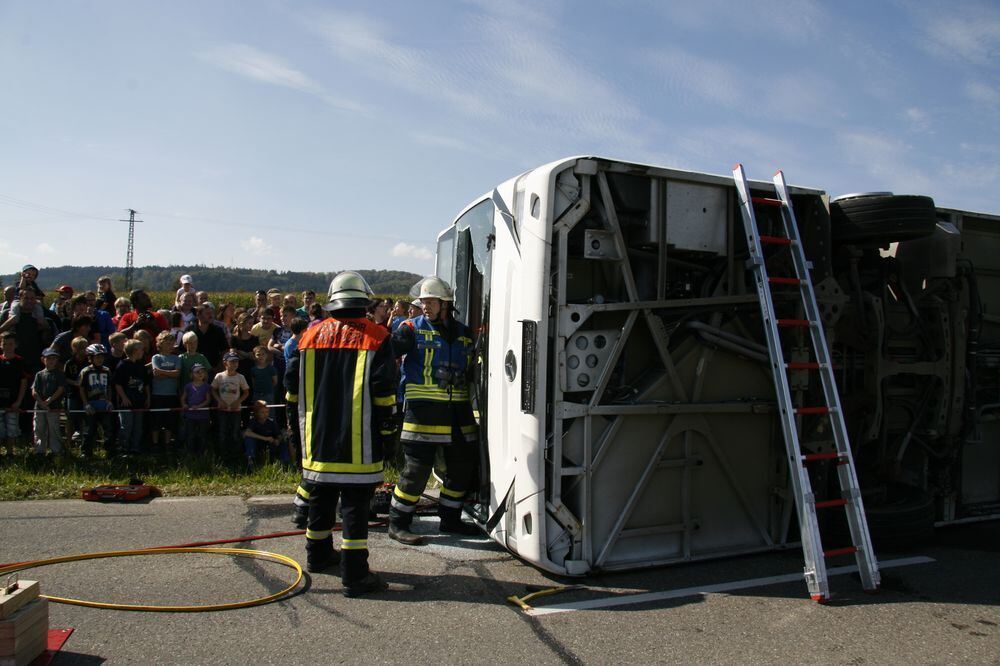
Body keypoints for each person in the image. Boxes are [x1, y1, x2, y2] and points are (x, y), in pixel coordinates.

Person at [290, 270, 396, 596]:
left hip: (316, 440)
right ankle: (355, 574)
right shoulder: (377, 336)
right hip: (358, 442)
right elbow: (383, 393)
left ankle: (318, 557)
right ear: (364, 301)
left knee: (320, 498)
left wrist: (297, 435)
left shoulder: (307, 337)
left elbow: (291, 391)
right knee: (354, 506)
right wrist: (388, 434)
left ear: (332, 301)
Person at [387, 277, 480, 545]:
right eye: (423, 302)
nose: (425, 306)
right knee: (417, 470)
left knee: (462, 467)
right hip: (423, 413)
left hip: (458, 413)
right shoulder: (409, 329)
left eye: (430, 302)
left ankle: (450, 519)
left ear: (445, 304)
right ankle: (398, 522)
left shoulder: (464, 333)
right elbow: (386, 355)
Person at [113, 339, 149, 455]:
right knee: (126, 425)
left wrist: (148, 397)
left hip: (139, 400)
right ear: (135, 351)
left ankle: (135, 447)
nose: (143, 351)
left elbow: (146, 383)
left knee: (138, 427)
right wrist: (123, 397)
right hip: (127, 402)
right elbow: (117, 384)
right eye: (141, 349)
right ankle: (124, 448)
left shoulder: (141, 365)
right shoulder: (122, 365)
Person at [79, 343, 115, 458]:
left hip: (104, 404)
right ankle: (86, 452)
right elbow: (81, 388)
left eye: (102, 357)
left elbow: (109, 387)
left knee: (108, 430)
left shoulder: (107, 371)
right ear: (90, 358)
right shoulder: (86, 371)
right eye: (97, 357)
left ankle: (110, 452)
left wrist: (109, 401)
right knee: (89, 430)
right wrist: (85, 404)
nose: (100, 359)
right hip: (91, 405)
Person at [212, 351, 249, 459]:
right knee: (222, 433)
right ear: (225, 363)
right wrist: (219, 401)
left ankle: (235, 456)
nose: (234, 364)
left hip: (236, 410)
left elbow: (246, 392)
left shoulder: (240, 377)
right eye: (232, 362)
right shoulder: (219, 376)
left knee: (235, 433)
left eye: (236, 362)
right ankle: (223, 455)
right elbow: (213, 390)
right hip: (222, 410)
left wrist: (238, 401)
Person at [150, 331, 181, 450]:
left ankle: (167, 443)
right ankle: (155, 444)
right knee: (156, 420)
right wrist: (170, 373)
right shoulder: (156, 357)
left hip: (172, 394)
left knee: (170, 420)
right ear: (160, 344)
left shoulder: (176, 358)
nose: (170, 346)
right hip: (158, 394)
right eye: (167, 343)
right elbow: (156, 374)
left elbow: (177, 373)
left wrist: (163, 372)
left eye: (172, 343)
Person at [32, 348, 65, 455]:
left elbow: (60, 389)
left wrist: (49, 400)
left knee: (54, 430)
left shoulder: (59, 374)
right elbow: (34, 390)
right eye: (49, 358)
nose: (51, 361)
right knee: (39, 429)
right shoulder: (39, 374)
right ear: (43, 359)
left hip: (53, 407)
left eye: (54, 358)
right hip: (39, 407)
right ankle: (39, 452)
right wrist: (41, 402)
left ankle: (56, 452)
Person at [0, 333, 27, 454]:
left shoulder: (20, 361)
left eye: (10, 344)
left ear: (15, 345)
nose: (7, 346)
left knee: (12, 427)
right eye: (4, 344)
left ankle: (10, 452)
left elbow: (24, 382)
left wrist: (19, 401)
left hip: (14, 401)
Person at [185, 303, 228, 372]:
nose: (211, 316)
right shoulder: (190, 330)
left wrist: (219, 367)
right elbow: (183, 349)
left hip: (213, 369)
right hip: (192, 370)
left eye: (212, 313)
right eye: (207, 313)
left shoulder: (218, 330)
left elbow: (225, 350)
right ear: (198, 315)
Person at [63, 336, 89, 449]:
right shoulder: (69, 363)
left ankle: (85, 443)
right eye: (80, 348)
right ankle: (68, 442)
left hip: (87, 394)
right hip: (73, 394)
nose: (83, 350)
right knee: (71, 418)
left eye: (84, 347)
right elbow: (65, 378)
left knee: (86, 418)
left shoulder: (89, 361)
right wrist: (75, 383)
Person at [180, 363, 211, 454]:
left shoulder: (206, 386)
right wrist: (184, 404)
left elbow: (208, 400)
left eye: (202, 372)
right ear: (191, 374)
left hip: (203, 416)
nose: (200, 373)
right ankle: (190, 453)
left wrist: (198, 406)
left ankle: (201, 453)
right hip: (190, 416)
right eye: (197, 372)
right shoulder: (188, 386)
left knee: (202, 435)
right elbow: (183, 398)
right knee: (190, 435)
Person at [243, 399, 281, 472]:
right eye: (262, 412)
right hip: (257, 443)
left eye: (266, 412)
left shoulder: (271, 422)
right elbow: (247, 433)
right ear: (256, 413)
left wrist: (277, 440)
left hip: (268, 445)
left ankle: (282, 463)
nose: (265, 414)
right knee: (249, 440)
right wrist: (265, 438)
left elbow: (278, 435)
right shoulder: (253, 421)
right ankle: (251, 462)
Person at [249, 345, 276, 413]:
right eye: (258, 354)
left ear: (266, 355)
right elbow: (253, 382)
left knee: (269, 412)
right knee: (257, 412)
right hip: (257, 394)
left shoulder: (271, 368)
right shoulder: (253, 369)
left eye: (263, 354)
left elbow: (275, 381)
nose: (261, 356)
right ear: (254, 356)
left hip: (268, 393)